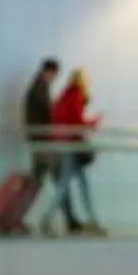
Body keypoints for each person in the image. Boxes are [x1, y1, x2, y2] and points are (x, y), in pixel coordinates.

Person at [50, 66, 106, 236]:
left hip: (64, 144)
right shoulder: (76, 96)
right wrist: (94, 122)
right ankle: (48, 219)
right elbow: (77, 122)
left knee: (76, 184)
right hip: (71, 146)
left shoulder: (65, 95)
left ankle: (92, 218)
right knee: (66, 185)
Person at [19, 58, 61, 235]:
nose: (54, 78)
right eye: (54, 74)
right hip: (42, 142)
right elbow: (48, 114)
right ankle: (49, 220)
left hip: (37, 141)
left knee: (37, 180)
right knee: (57, 179)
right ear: (49, 72)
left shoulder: (36, 87)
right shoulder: (40, 88)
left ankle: (18, 217)